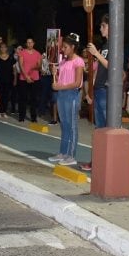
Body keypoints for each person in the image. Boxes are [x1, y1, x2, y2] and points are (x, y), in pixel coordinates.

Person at [49, 34, 85, 166]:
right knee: (64, 124)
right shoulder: (63, 62)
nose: (62, 49)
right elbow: (60, 80)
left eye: (65, 47)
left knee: (72, 126)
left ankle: (71, 155)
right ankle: (63, 152)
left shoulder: (78, 61)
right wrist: (55, 75)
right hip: (62, 95)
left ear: (73, 47)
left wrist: (60, 86)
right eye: (62, 47)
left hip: (72, 95)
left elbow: (77, 83)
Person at [16, 37, 42, 123]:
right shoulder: (22, 53)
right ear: (26, 44)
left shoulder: (38, 54)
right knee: (23, 98)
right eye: (28, 42)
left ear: (33, 43)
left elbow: (39, 66)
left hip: (35, 78)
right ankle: (21, 116)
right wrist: (26, 76)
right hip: (24, 78)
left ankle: (33, 117)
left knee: (33, 99)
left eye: (31, 42)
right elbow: (21, 65)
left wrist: (35, 67)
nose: (29, 44)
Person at [0, 43, 15, 119]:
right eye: (1, 47)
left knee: (6, 96)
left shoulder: (11, 58)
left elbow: (14, 70)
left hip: (8, 80)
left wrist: (15, 79)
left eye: (4, 47)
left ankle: (4, 111)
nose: (3, 49)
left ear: (6, 48)